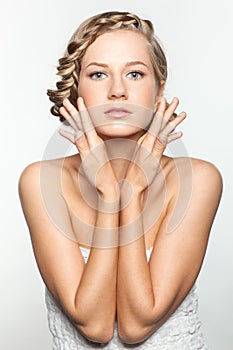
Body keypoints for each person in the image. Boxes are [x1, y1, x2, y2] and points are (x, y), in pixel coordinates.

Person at [18, 10, 222, 349]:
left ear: (159, 92)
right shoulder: (41, 181)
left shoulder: (198, 180)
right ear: (75, 91)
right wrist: (111, 193)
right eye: (98, 74)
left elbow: (136, 324)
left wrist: (131, 190)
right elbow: (95, 326)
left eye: (135, 74)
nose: (117, 91)